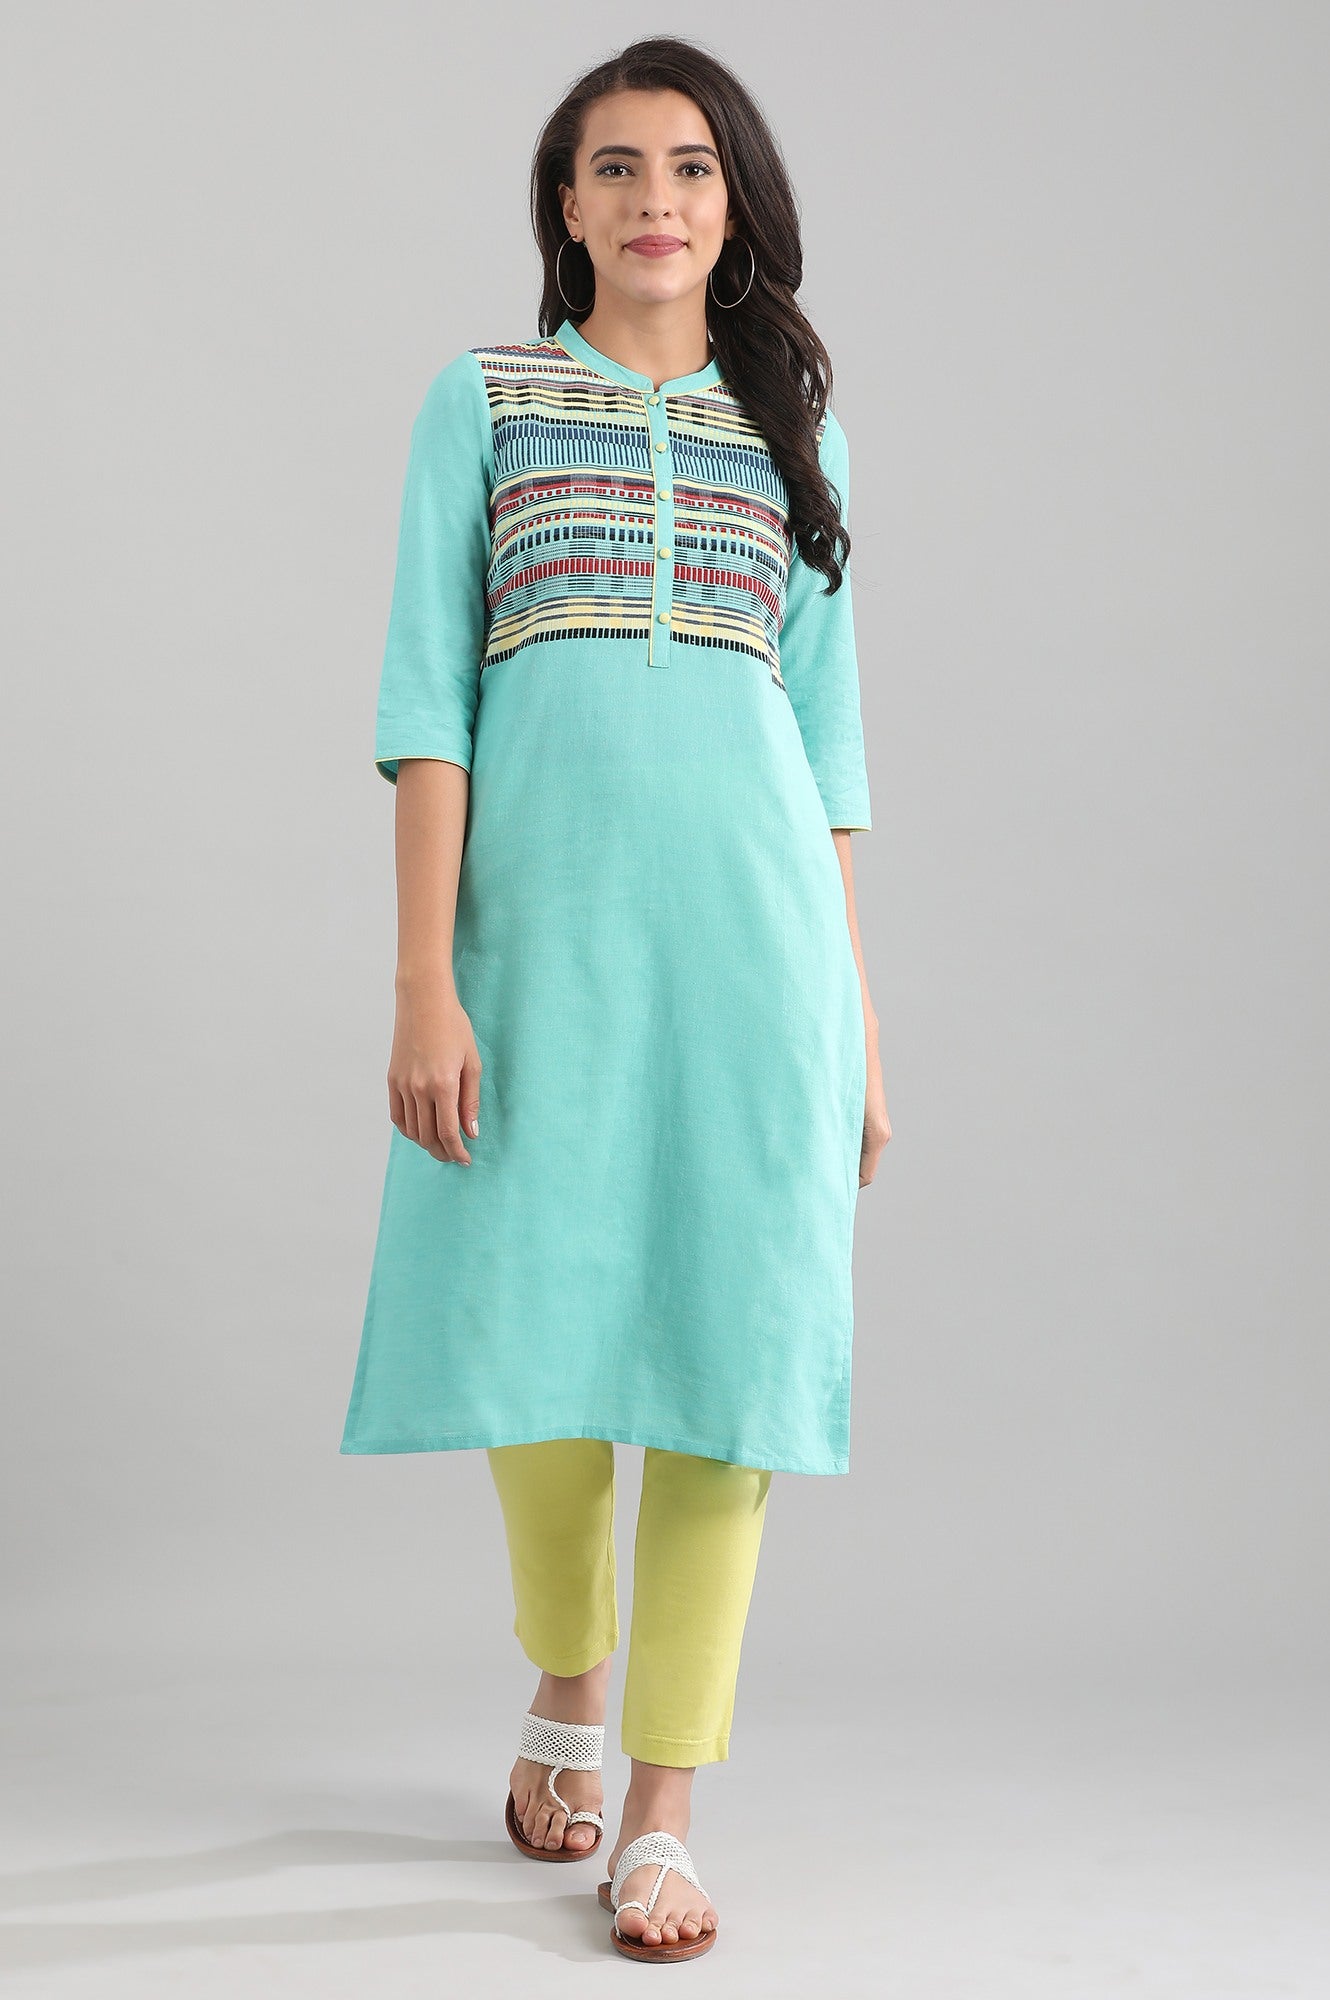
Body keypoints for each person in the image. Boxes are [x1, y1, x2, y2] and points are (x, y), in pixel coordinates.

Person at [339, 34, 891, 1964]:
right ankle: (565, 1671)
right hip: (539, 948)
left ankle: (663, 1807)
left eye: (691, 167)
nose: (657, 198)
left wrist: (858, 1022)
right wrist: (425, 978)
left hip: (756, 961)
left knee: (734, 1357)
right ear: (564, 206)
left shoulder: (792, 437)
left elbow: (827, 754)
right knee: (542, 1337)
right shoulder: (482, 402)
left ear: (733, 207)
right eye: (617, 167)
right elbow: (428, 703)